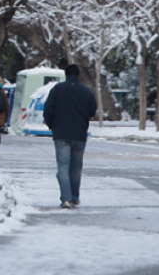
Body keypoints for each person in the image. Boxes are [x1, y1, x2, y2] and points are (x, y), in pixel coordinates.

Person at [43, 63, 97, 209]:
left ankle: (65, 198)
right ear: (78, 76)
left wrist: (52, 125)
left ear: (65, 75)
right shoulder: (86, 92)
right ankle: (74, 197)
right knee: (76, 167)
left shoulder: (57, 90)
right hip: (79, 134)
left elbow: (48, 109)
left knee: (63, 166)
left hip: (61, 133)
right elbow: (92, 110)